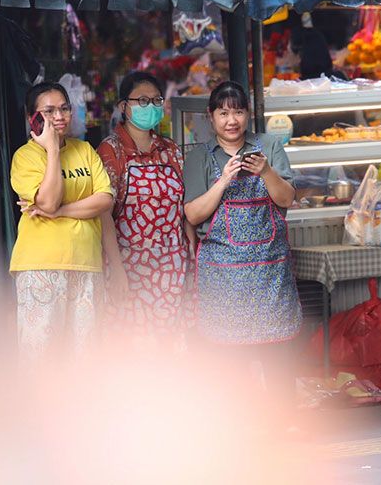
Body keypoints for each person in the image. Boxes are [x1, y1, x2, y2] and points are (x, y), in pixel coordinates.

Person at [183, 81, 302, 403]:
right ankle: (237, 420)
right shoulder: (199, 157)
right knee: (229, 359)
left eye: (237, 112)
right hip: (223, 276)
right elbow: (193, 214)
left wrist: (267, 172)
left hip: (269, 273)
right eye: (223, 113)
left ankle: (283, 418)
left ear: (248, 115)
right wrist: (223, 181)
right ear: (211, 117)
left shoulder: (269, 146)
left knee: (277, 356)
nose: (231, 120)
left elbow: (287, 199)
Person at [9, 82, 114, 360]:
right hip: (41, 267)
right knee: (42, 358)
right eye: (49, 111)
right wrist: (53, 149)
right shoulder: (25, 157)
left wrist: (59, 213)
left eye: (64, 108)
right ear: (32, 117)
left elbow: (105, 200)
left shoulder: (85, 150)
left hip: (86, 264)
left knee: (84, 358)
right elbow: (48, 201)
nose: (59, 116)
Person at [96, 72, 193, 349]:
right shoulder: (111, 150)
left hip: (172, 265)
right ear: (123, 106)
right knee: (132, 347)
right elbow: (104, 214)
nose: (150, 106)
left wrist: (190, 256)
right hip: (129, 266)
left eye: (156, 101)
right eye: (142, 101)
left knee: (169, 345)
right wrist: (117, 268)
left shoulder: (169, 149)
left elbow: (184, 206)